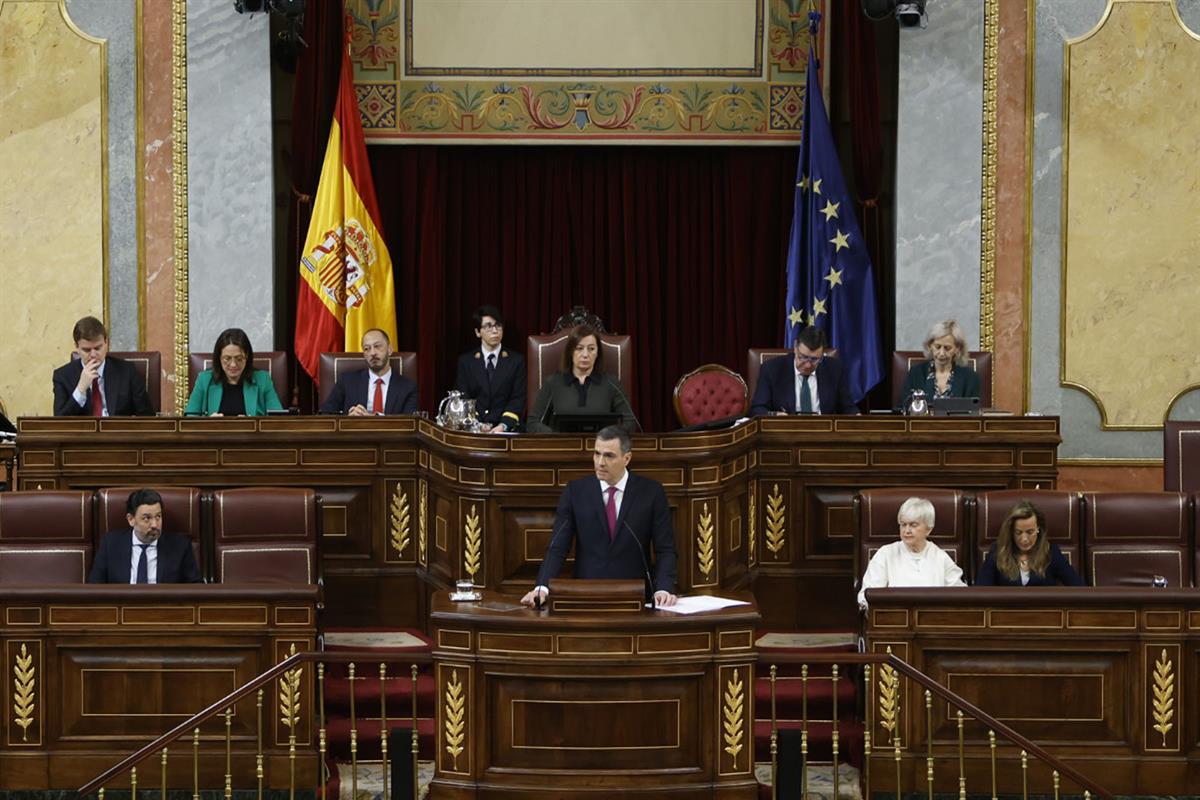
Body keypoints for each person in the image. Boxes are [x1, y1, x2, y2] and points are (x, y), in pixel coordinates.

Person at [521, 426, 677, 607]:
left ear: (627, 458)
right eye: (596, 454)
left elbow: (665, 548)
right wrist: (542, 587)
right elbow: (558, 546)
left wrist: (663, 588)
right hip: (586, 595)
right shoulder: (576, 492)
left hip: (637, 597)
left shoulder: (651, 492)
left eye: (609, 456)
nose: (600, 462)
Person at [857, 496, 964, 608]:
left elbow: (960, 595)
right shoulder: (886, 554)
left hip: (933, 620)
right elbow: (867, 596)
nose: (906, 531)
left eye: (913, 525)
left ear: (929, 529)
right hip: (895, 619)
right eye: (903, 524)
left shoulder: (940, 557)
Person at [527, 325, 636, 433]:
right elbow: (533, 423)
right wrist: (557, 438)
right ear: (570, 351)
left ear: (597, 352)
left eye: (591, 349)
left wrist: (608, 438)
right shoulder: (552, 383)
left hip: (601, 447)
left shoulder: (611, 383)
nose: (585, 354)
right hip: (562, 446)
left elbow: (630, 422)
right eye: (579, 348)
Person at [88, 488, 201, 584]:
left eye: (158, 516)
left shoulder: (180, 546)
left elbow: (195, 588)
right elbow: (95, 587)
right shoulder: (110, 544)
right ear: (131, 519)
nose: (154, 525)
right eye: (147, 518)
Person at [52, 316, 154, 417]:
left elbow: (147, 417)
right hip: (83, 433)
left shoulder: (127, 371)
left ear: (106, 342)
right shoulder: (62, 376)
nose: (93, 354)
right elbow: (60, 423)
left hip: (118, 432)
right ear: (77, 347)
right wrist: (80, 389)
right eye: (87, 350)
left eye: (98, 348)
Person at [749, 325, 857, 415]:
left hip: (823, 432)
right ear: (795, 347)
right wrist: (775, 415)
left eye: (815, 359)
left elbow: (848, 408)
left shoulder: (835, 369)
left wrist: (857, 416)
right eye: (803, 357)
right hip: (786, 433)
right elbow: (757, 409)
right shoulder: (772, 369)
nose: (808, 365)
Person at [975, 501, 1083, 586]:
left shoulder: (1051, 552)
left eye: (1030, 532)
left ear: (1038, 529)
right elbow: (980, 592)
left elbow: (1078, 588)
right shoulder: (998, 552)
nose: (1024, 539)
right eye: (1018, 532)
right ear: (1011, 531)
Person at [453, 305, 525, 432]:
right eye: (488, 326)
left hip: (505, 429)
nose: (495, 330)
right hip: (474, 429)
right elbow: (463, 398)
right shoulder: (466, 362)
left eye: (498, 325)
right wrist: (477, 425)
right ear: (477, 332)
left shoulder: (516, 361)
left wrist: (503, 425)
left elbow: (517, 399)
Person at [184, 328, 283, 416]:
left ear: (247, 356)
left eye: (239, 359)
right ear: (219, 357)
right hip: (214, 436)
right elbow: (190, 419)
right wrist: (209, 424)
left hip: (250, 436)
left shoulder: (263, 380)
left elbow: (278, 420)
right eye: (227, 359)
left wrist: (251, 424)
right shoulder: (204, 380)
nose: (233, 365)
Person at [320, 328, 418, 415]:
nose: (373, 353)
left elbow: (410, 425)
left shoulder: (408, 387)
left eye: (377, 346)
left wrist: (373, 420)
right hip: (355, 435)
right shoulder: (347, 381)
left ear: (390, 349)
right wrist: (347, 421)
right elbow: (325, 415)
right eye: (367, 349)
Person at [898, 319, 981, 409]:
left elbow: (974, 414)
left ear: (957, 349)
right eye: (937, 347)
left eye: (947, 348)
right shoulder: (916, 373)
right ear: (930, 346)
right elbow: (904, 407)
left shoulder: (970, 377)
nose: (941, 353)